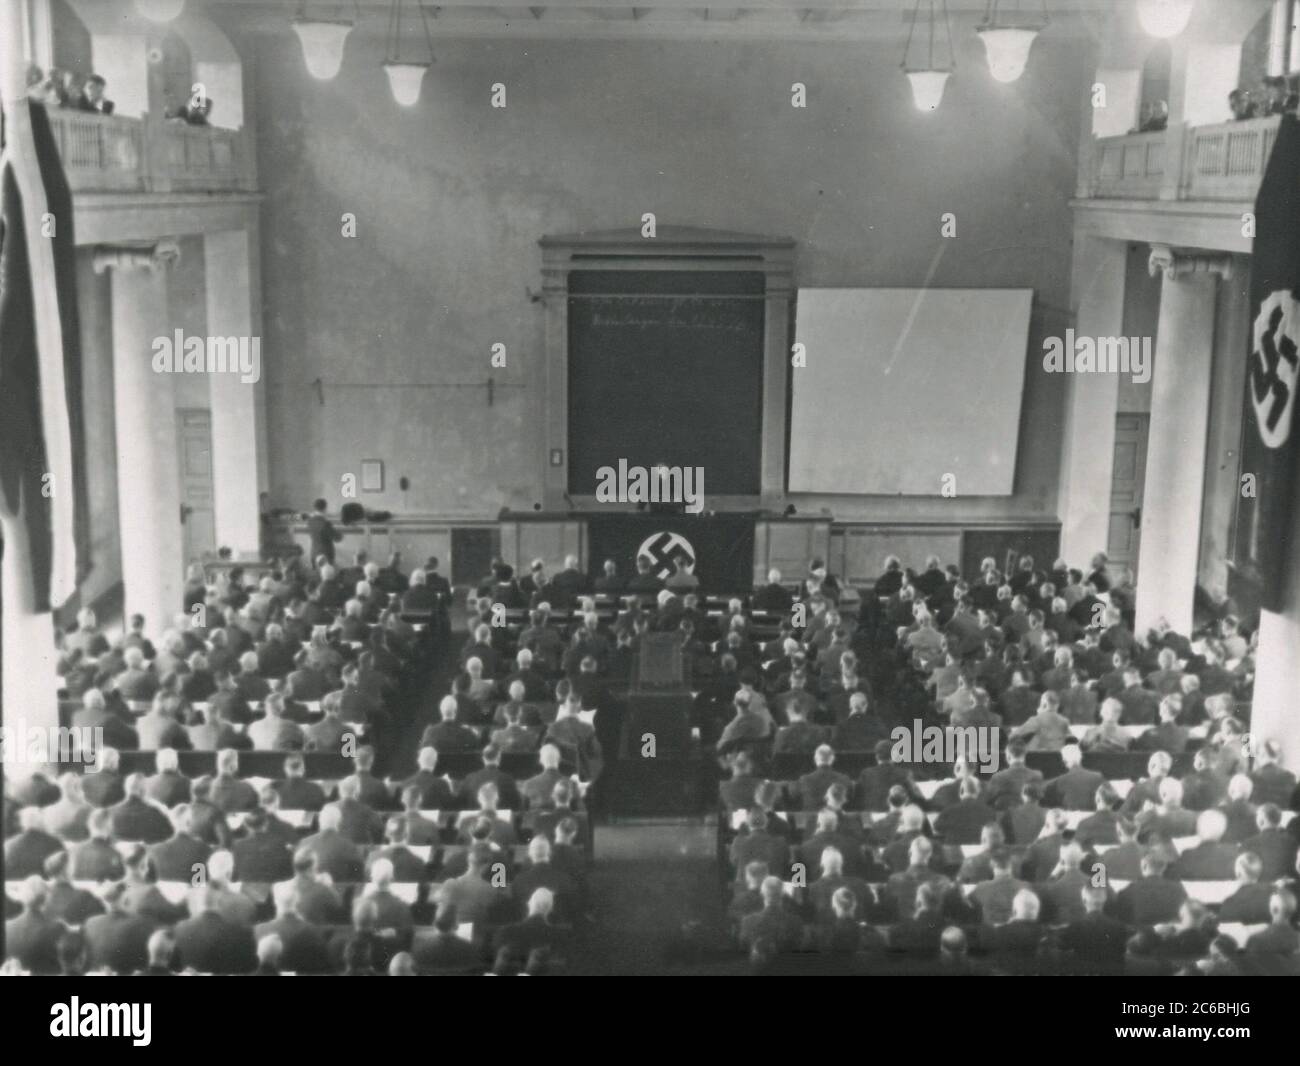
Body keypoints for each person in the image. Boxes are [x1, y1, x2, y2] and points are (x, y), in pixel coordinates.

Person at [306, 498, 342, 565]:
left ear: (315, 508)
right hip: (326, 555)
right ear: (325, 508)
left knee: (316, 575)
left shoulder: (310, 521)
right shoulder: (325, 523)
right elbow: (337, 538)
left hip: (314, 554)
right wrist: (340, 533)